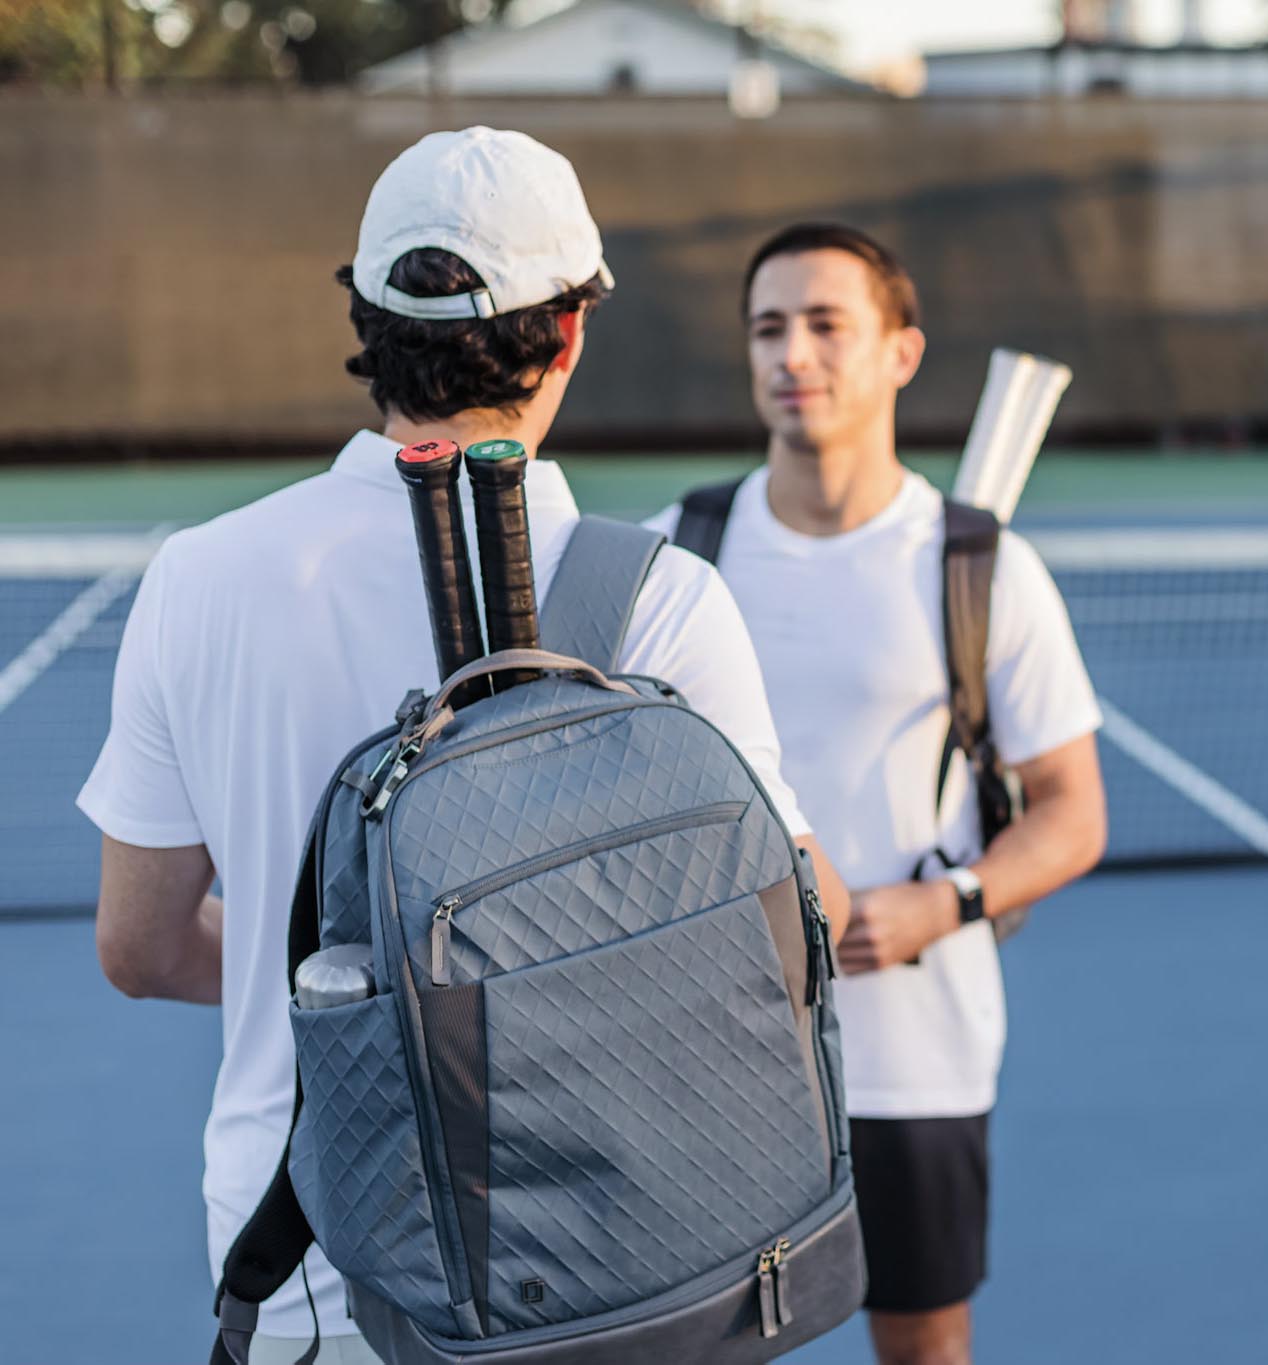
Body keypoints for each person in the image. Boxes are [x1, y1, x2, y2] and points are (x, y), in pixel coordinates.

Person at [77, 131, 848, 1365]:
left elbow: (140, 945)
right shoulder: (664, 600)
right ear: (573, 333)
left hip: (306, 1280)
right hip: (609, 1276)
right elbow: (801, 927)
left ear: (367, 320)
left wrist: (357, 998)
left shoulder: (197, 583)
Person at [649, 223, 1107, 1365]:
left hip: (918, 1058)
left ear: (901, 354)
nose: (792, 353)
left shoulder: (977, 566)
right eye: (769, 328)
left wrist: (940, 905)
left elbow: (1072, 810)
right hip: (713, 1056)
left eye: (824, 325)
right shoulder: (679, 555)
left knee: (923, 1342)